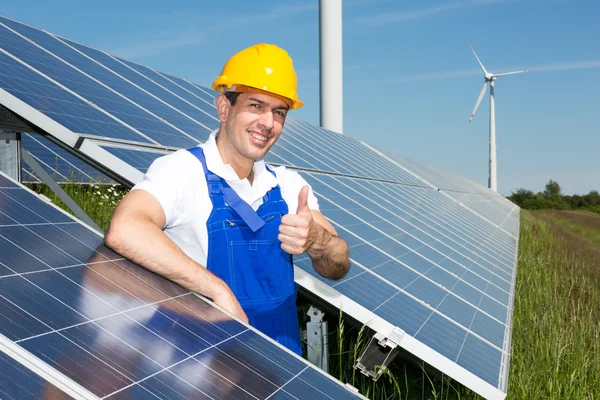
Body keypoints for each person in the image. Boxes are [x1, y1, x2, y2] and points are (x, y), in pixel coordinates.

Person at [105, 43, 350, 356]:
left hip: (282, 361)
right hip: (203, 365)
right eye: (256, 105)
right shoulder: (182, 171)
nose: (268, 123)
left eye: (279, 112)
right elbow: (125, 228)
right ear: (224, 108)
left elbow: (339, 265)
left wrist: (318, 241)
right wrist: (215, 289)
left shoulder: (290, 185)